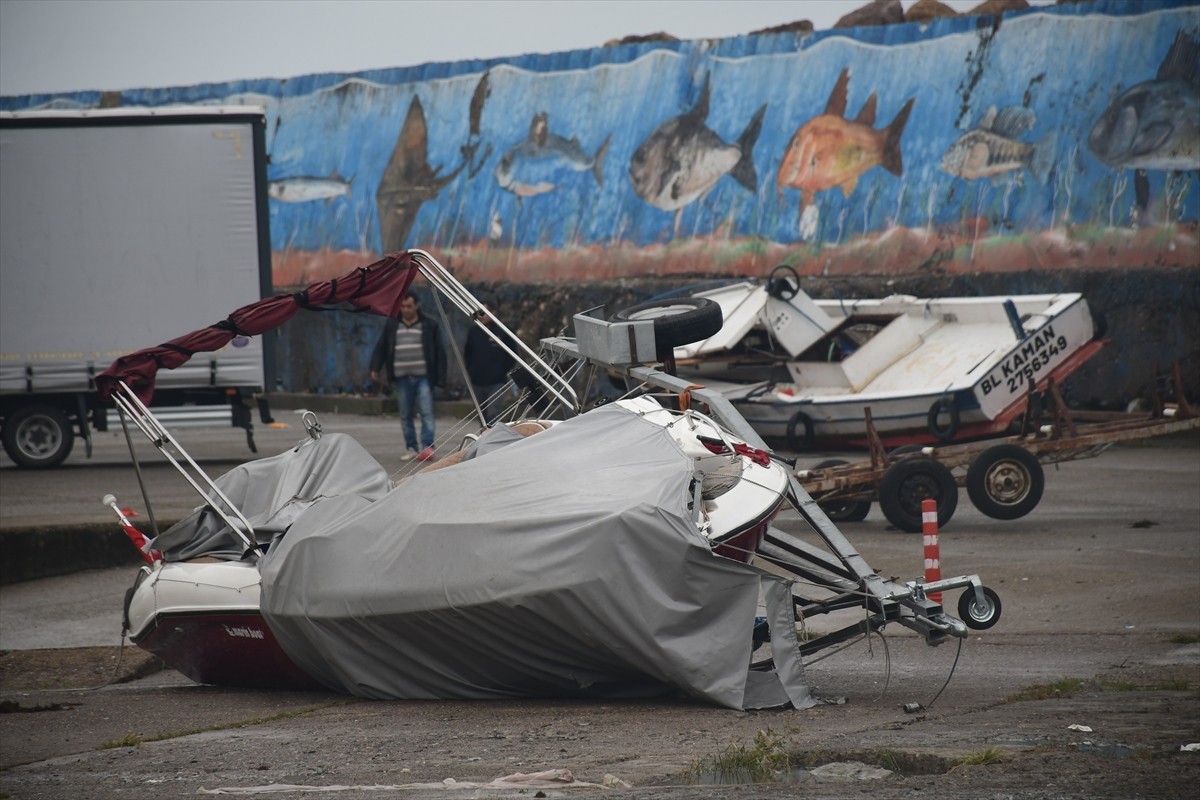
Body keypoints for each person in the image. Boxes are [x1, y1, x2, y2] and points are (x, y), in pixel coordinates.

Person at [369, 293, 446, 461]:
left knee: (426, 412)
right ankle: (411, 447)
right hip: (402, 377)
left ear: (416, 306)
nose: (405, 310)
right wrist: (375, 366)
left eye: (409, 306)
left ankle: (428, 446)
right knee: (405, 415)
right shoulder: (393, 324)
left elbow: (439, 352)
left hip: (423, 377)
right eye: (403, 307)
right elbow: (382, 347)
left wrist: (441, 377)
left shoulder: (429, 324)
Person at [463, 311, 517, 425]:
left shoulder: (502, 331)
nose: (481, 317)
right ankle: (485, 437)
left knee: (493, 413)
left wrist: (502, 370)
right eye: (479, 313)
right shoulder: (474, 331)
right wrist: (471, 370)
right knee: (481, 415)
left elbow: (512, 354)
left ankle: (493, 438)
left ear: (492, 312)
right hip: (477, 380)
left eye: (484, 313)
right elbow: (467, 353)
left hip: (496, 381)